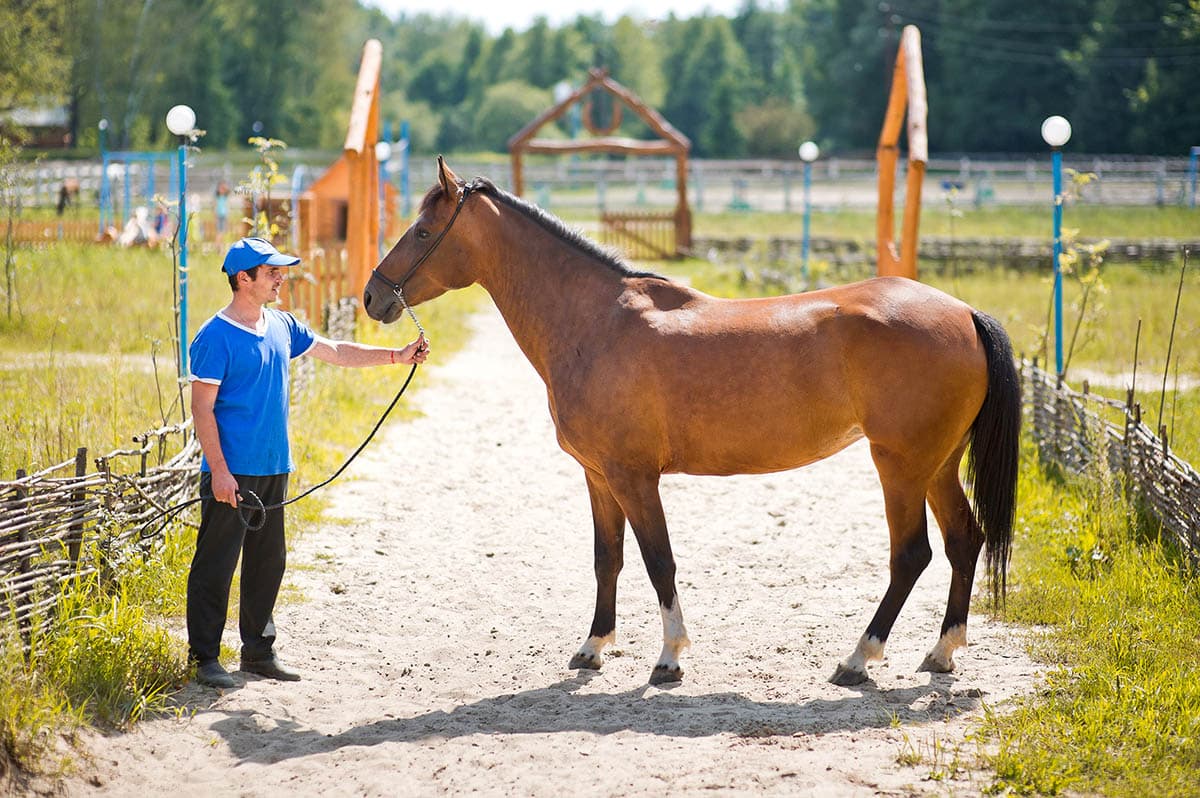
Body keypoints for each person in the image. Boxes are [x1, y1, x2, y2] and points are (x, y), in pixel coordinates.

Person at [187, 236, 429, 688]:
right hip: (231, 472)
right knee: (216, 565)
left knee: (269, 562)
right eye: (272, 272)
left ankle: (258, 653)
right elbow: (203, 409)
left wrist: (396, 356)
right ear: (244, 278)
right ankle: (204, 659)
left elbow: (335, 351)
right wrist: (219, 470)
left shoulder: (281, 325)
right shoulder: (214, 337)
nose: (281, 278)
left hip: (275, 465)